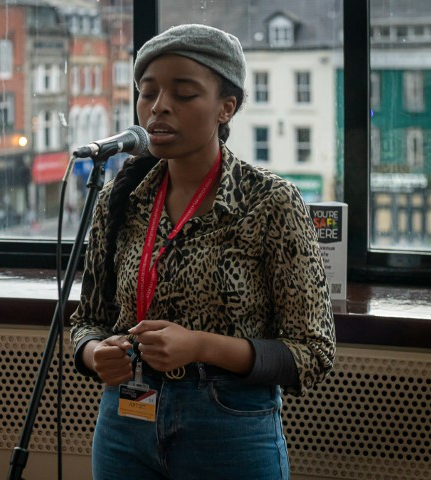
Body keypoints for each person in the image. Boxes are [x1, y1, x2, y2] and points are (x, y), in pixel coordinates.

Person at [70, 24, 336, 480]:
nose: (159, 108)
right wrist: (95, 353)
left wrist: (200, 346)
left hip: (228, 424)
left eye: (185, 93)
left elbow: (311, 353)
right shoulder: (122, 197)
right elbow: (86, 321)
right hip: (124, 423)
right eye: (147, 93)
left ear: (225, 107)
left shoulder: (271, 202)